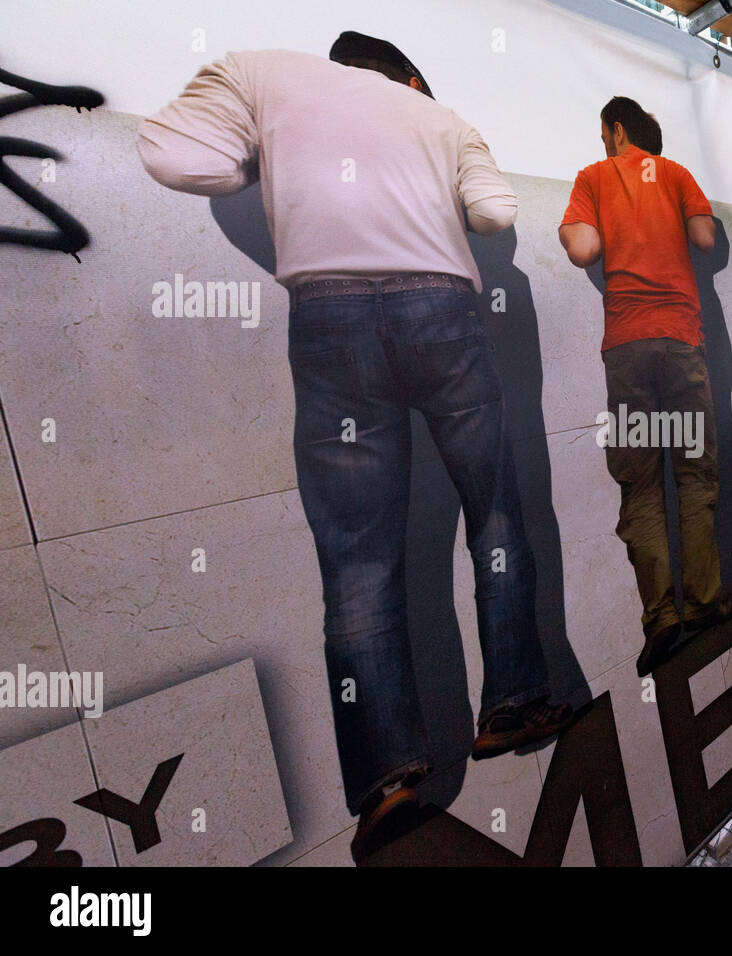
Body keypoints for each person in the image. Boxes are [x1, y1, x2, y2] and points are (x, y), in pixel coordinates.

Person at [137, 31, 572, 860]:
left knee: (358, 559)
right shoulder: (440, 115)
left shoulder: (261, 72)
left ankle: (388, 786)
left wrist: (263, 169)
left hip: (328, 315)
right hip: (443, 312)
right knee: (496, 513)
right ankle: (514, 698)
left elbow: (170, 152)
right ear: (408, 74)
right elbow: (495, 214)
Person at [558, 96, 732, 677]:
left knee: (639, 486)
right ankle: (706, 603)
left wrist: (591, 226)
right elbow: (706, 239)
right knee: (694, 475)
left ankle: (661, 617)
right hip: (682, 343)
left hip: (628, 349)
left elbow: (583, 249)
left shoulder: (593, 177)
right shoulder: (676, 173)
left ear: (615, 130)